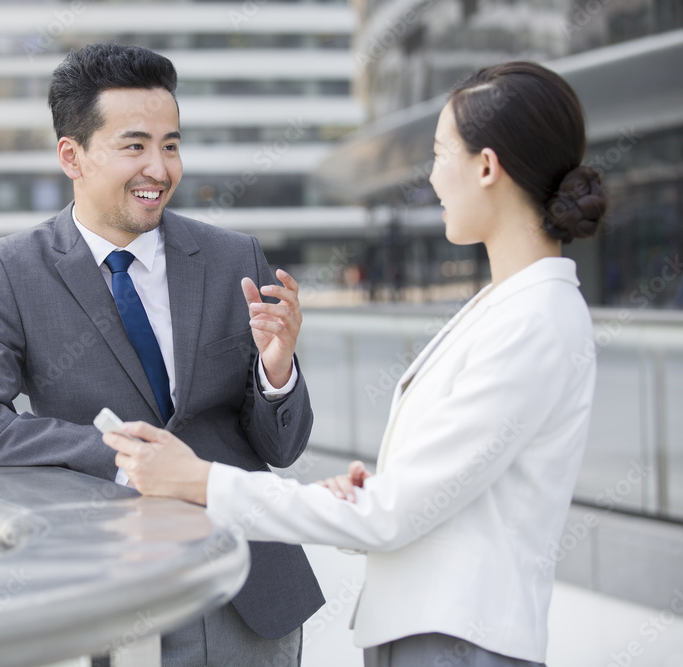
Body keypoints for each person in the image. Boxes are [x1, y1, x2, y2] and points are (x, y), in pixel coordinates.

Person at [104, 61, 608, 666]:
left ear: (486, 166)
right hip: (436, 634)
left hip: (461, 641)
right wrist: (378, 493)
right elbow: (430, 495)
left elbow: (391, 519)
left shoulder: (535, 318)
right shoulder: (511, 306)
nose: (434, 176)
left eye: (441, 152)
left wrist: (198, 480)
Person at [0, 42, 323, 665]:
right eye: (135, 145)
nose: (160, 168)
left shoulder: (235, 258)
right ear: (73, 155)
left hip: (251, 589)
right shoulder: (11, 269)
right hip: (114, 592)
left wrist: (277, 372)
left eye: (170, 145)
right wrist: (123, 457)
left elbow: (281, 449)